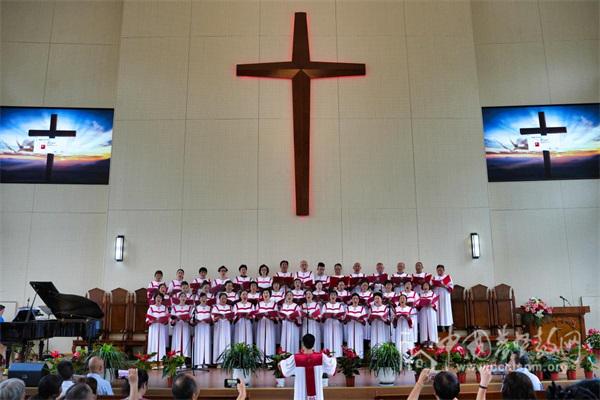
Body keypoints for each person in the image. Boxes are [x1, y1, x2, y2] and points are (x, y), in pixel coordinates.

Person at [279, 334, 337, 400]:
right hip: (317, 394)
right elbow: (332, 365)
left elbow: (283, 368)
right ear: (313, 343)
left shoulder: (295, 358)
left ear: (303, 344)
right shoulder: (321, 357)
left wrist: (280, 363)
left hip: (300, 393)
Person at [255, 289, 278, 360]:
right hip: (261, 324)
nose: (265, 294)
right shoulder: (259, 304)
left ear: (270, 295)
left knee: (269, 340)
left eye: (267, 293)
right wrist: (258, 316)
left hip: (270, 324)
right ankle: (260, 359)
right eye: (264, 293)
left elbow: (276, 316)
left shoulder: (273, 304)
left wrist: (272, 317)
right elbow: (255, 316)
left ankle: (270, 360)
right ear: (262, 295)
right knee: (261, 340)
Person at [146, 293, 169, 361]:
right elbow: (147, 319)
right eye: (157, 297)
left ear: (162, 299)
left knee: (161, 343)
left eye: (160, 298)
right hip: (154, 328)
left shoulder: (165, 308)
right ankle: (152, 361)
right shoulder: (151, 307)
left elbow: (167, 319)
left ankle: (161, 360)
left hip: (161, 328)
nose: (158, 299)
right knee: (153, 343)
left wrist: (164, 320)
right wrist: (153, 320)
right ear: (154, 299)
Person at [211, 292, 233, 365]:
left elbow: (232, 318)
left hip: (226, 326)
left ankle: (227, 361)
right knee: (218, 342)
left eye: (225, 298)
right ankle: (219, 361)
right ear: (219, 299)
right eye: (222, 298)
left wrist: (229, 317)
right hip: (219, 327)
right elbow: (213, 318)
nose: (224, 300)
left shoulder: (229, 307)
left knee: (227, 342)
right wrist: (218, 317)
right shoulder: (215, 307)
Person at [322, 290, 345, 356]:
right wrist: (327, 316)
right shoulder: (325, 306)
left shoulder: (340, 306)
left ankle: (338, 356)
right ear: (329, 296)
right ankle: (327, 356)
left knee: (337, 340)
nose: (333, 296)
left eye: (334, 295)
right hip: (328, 325)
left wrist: (337, 317)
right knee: (328, 339)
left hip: (337, 326)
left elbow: (342, 317)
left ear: (336, 296)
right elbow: (322, 317)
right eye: (331, 295)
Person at [192, 292, 212, 368]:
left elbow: (212, 318)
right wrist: (195, 320)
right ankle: (198, 362)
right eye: (202, 298)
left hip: (206, 327)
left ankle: (205, 362)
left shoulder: (209, 308)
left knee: (206, 344)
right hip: (199, 328)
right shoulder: (196, 308)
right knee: (199, 344)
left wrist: (209, 320)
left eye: (205, 298)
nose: (204, 299)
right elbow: (192, 318)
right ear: (199, 299)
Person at [171, 292, 193, 358]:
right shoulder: (175, 308)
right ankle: (177, 360)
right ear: (179, 298)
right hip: (177, 327)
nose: (183, 298)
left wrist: (187, 320)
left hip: (186, 327)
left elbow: (191, 318)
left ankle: (184, 360)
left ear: (186, 298)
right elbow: (171, 319)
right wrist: (175, 320)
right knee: (177, 342)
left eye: (184, 297)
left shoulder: (189, 308)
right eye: (181, 296)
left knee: (185, 342)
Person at [431, 264, 453, 329]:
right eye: (438, 270)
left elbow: (451, 288)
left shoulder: (448, 277)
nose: (440, 271)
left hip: (444, 297)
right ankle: (438, 329)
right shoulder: (434, 278)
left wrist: (443, 285)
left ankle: (447, 328)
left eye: (441, 270)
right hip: (436, 297)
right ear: (436, 271)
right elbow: (430, 288)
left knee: (445, 312)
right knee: (437, 312)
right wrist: (434, 285)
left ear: (444, 270)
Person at [345, 293, 367, 358]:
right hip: (350, 327)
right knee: (351, 341)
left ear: (359, 300)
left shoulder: (362, 309)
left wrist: (359, 320)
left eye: (356, 298)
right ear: (351, 300)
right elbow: (345, 321)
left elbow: (364, 322)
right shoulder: (348, 308)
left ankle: (359, 357)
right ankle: (350, 357)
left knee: (359, 341)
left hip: (358, 328)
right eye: (353, 298)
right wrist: (348, 319)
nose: (355, 300)